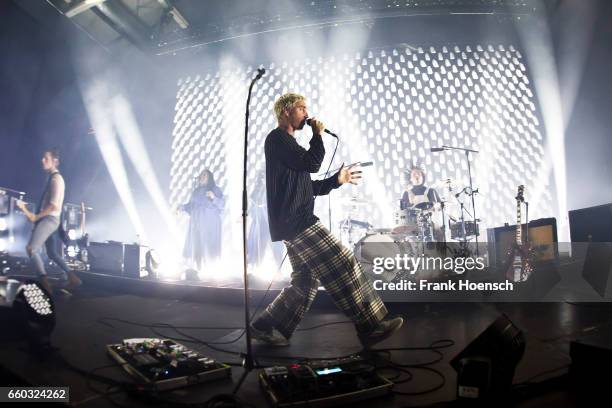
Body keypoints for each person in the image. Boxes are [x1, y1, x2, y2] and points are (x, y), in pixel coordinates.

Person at [250, 93, 403, 347]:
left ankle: (266, 326)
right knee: (343, 261)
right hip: (297, 221)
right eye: (301, 108)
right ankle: (370, 326)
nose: (307, 113)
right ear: (286, 111)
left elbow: (307, 186)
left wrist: (337, 181)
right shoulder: (278, 139)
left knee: (306, 281)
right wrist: (318, 135)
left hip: (292, 221)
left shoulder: (288, 146)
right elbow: (313, 163)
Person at [16, 148, 82, 294]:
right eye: (43, 158)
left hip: (49, 220)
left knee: (31, 249)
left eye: (46, 158)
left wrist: (35, 217)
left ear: (55, 161)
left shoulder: (56, 179)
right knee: (52, 253)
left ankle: (45, 285)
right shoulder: (51, 178)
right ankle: (73, 278)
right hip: (50, 220)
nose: (42, 160)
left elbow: (54, 205)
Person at [180, 169, 224, 272]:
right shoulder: (196, 191)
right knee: (197, 247)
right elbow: (191, 206)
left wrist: (213, 197)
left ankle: (211, 271)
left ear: (210, 178)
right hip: (196, 224)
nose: (202, 176)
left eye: (205, 175)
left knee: (208, 248)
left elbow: (222, 205)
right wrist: (182, 207)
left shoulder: (215, 189)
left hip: (209, 225)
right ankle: (197, 271)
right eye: (201, 175)